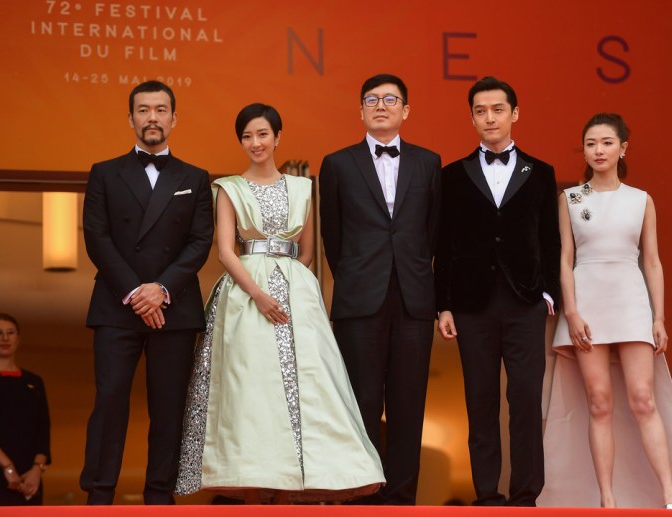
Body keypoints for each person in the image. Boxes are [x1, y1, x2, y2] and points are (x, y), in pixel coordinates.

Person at [174, 103, 384, 504]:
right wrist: (259, 292)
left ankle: (298, 483)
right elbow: (225, 251)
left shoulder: (303, 187)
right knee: (249, 384)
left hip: (296, 291)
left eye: (262, 134)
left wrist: (289, 285)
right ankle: (254, 486)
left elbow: (307, 251)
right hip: (244, 294)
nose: (255, 143)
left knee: (310, 380)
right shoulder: (229, 188)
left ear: (277, 137)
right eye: (247, 136)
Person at [538, 113, 672, 509]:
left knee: (644, 399)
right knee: (599, 403)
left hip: (631, 301)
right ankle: (607, 500)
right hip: (586, 304)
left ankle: (670, 495)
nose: (599, 150)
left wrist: (658, 317)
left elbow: (653, 261)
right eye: (591, 143)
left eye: (607, 142)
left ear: (623, 148)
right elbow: (565, 260)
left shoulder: (641, 200)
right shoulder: (570, 199)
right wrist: (571, 312)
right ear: (584, 150)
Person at [80, 80, 214, 505]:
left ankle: (160, 495)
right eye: (143, 110)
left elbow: (200, 241)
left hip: (174, 307)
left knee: (169, 406)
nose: (152, 118)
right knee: (110, 401)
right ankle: (99, 493)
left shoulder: (195, 177)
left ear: (174, 118)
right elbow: (97, 238)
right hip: (117, 304)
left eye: (160, 110)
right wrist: (137, 292)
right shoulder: (104, 172)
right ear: (131, 118)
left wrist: (161, 289)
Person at [433, 76, 561, 506]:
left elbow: (550, 240)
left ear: (514, 114)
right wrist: (443, 304)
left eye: (498, 109)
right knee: (480, 400)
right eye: (481, 111)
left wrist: (549, 295)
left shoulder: (540, 173)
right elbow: (444, 244)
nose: (490, 118)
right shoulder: (452, 175)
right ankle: (487, 495)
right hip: (472, 304)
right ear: (472, 118)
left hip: (525, 301)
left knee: (525, 400)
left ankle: (526, 495)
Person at [319, 74, 441, 505]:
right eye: (371, 100)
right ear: (361, 111)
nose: (381, 106)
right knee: (361, 406)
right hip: (359, 301)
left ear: (406, 110)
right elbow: (332, 237)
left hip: (413, 300)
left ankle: (403, 503)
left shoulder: (429, 163)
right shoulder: (337, 163)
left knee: (409, 407)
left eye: (391, 99)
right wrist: (357, 277)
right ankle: (361, 503)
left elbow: (431, 234)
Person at [0, 313, 51, 506]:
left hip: (29, 480)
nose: (5, 338)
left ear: (18, 338)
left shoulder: (34, 382)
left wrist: (37, 469)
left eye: (10, 332)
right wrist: (7, 466)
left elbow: (43, 430)